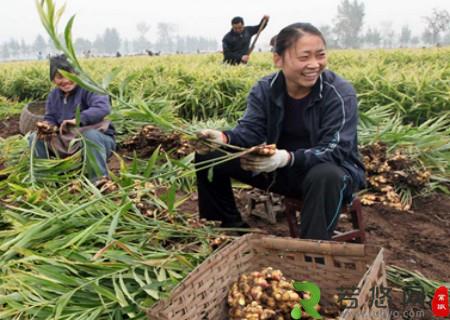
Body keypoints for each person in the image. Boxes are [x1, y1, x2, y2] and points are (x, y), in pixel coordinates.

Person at [196, 23, 366, 240]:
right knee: (210, 154)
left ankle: (312, 253)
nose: (314, 64)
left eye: (320, 55)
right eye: (304, 57)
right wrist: (222, 137)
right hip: (280, 170)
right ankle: (229, 225)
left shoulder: (339, 93)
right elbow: (251, 131)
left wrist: (287, 157)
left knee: (325, 175)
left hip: (330, 177)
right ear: (278, 59)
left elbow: (336, 149)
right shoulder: (265, 88)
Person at [28, 54, 116, 183]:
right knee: (35, 138)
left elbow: (102, 108)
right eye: (59, 77)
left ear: (77, 74)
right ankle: (46, 179)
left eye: (69, 75)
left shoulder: (89, 88)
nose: (65, 80)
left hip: (98, 142)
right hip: (67, 142)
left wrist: (78, 120)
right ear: (53, 80)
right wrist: (48, 126)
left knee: (90, 136)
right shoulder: (53, 95)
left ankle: (98, 180)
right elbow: (51, 117)